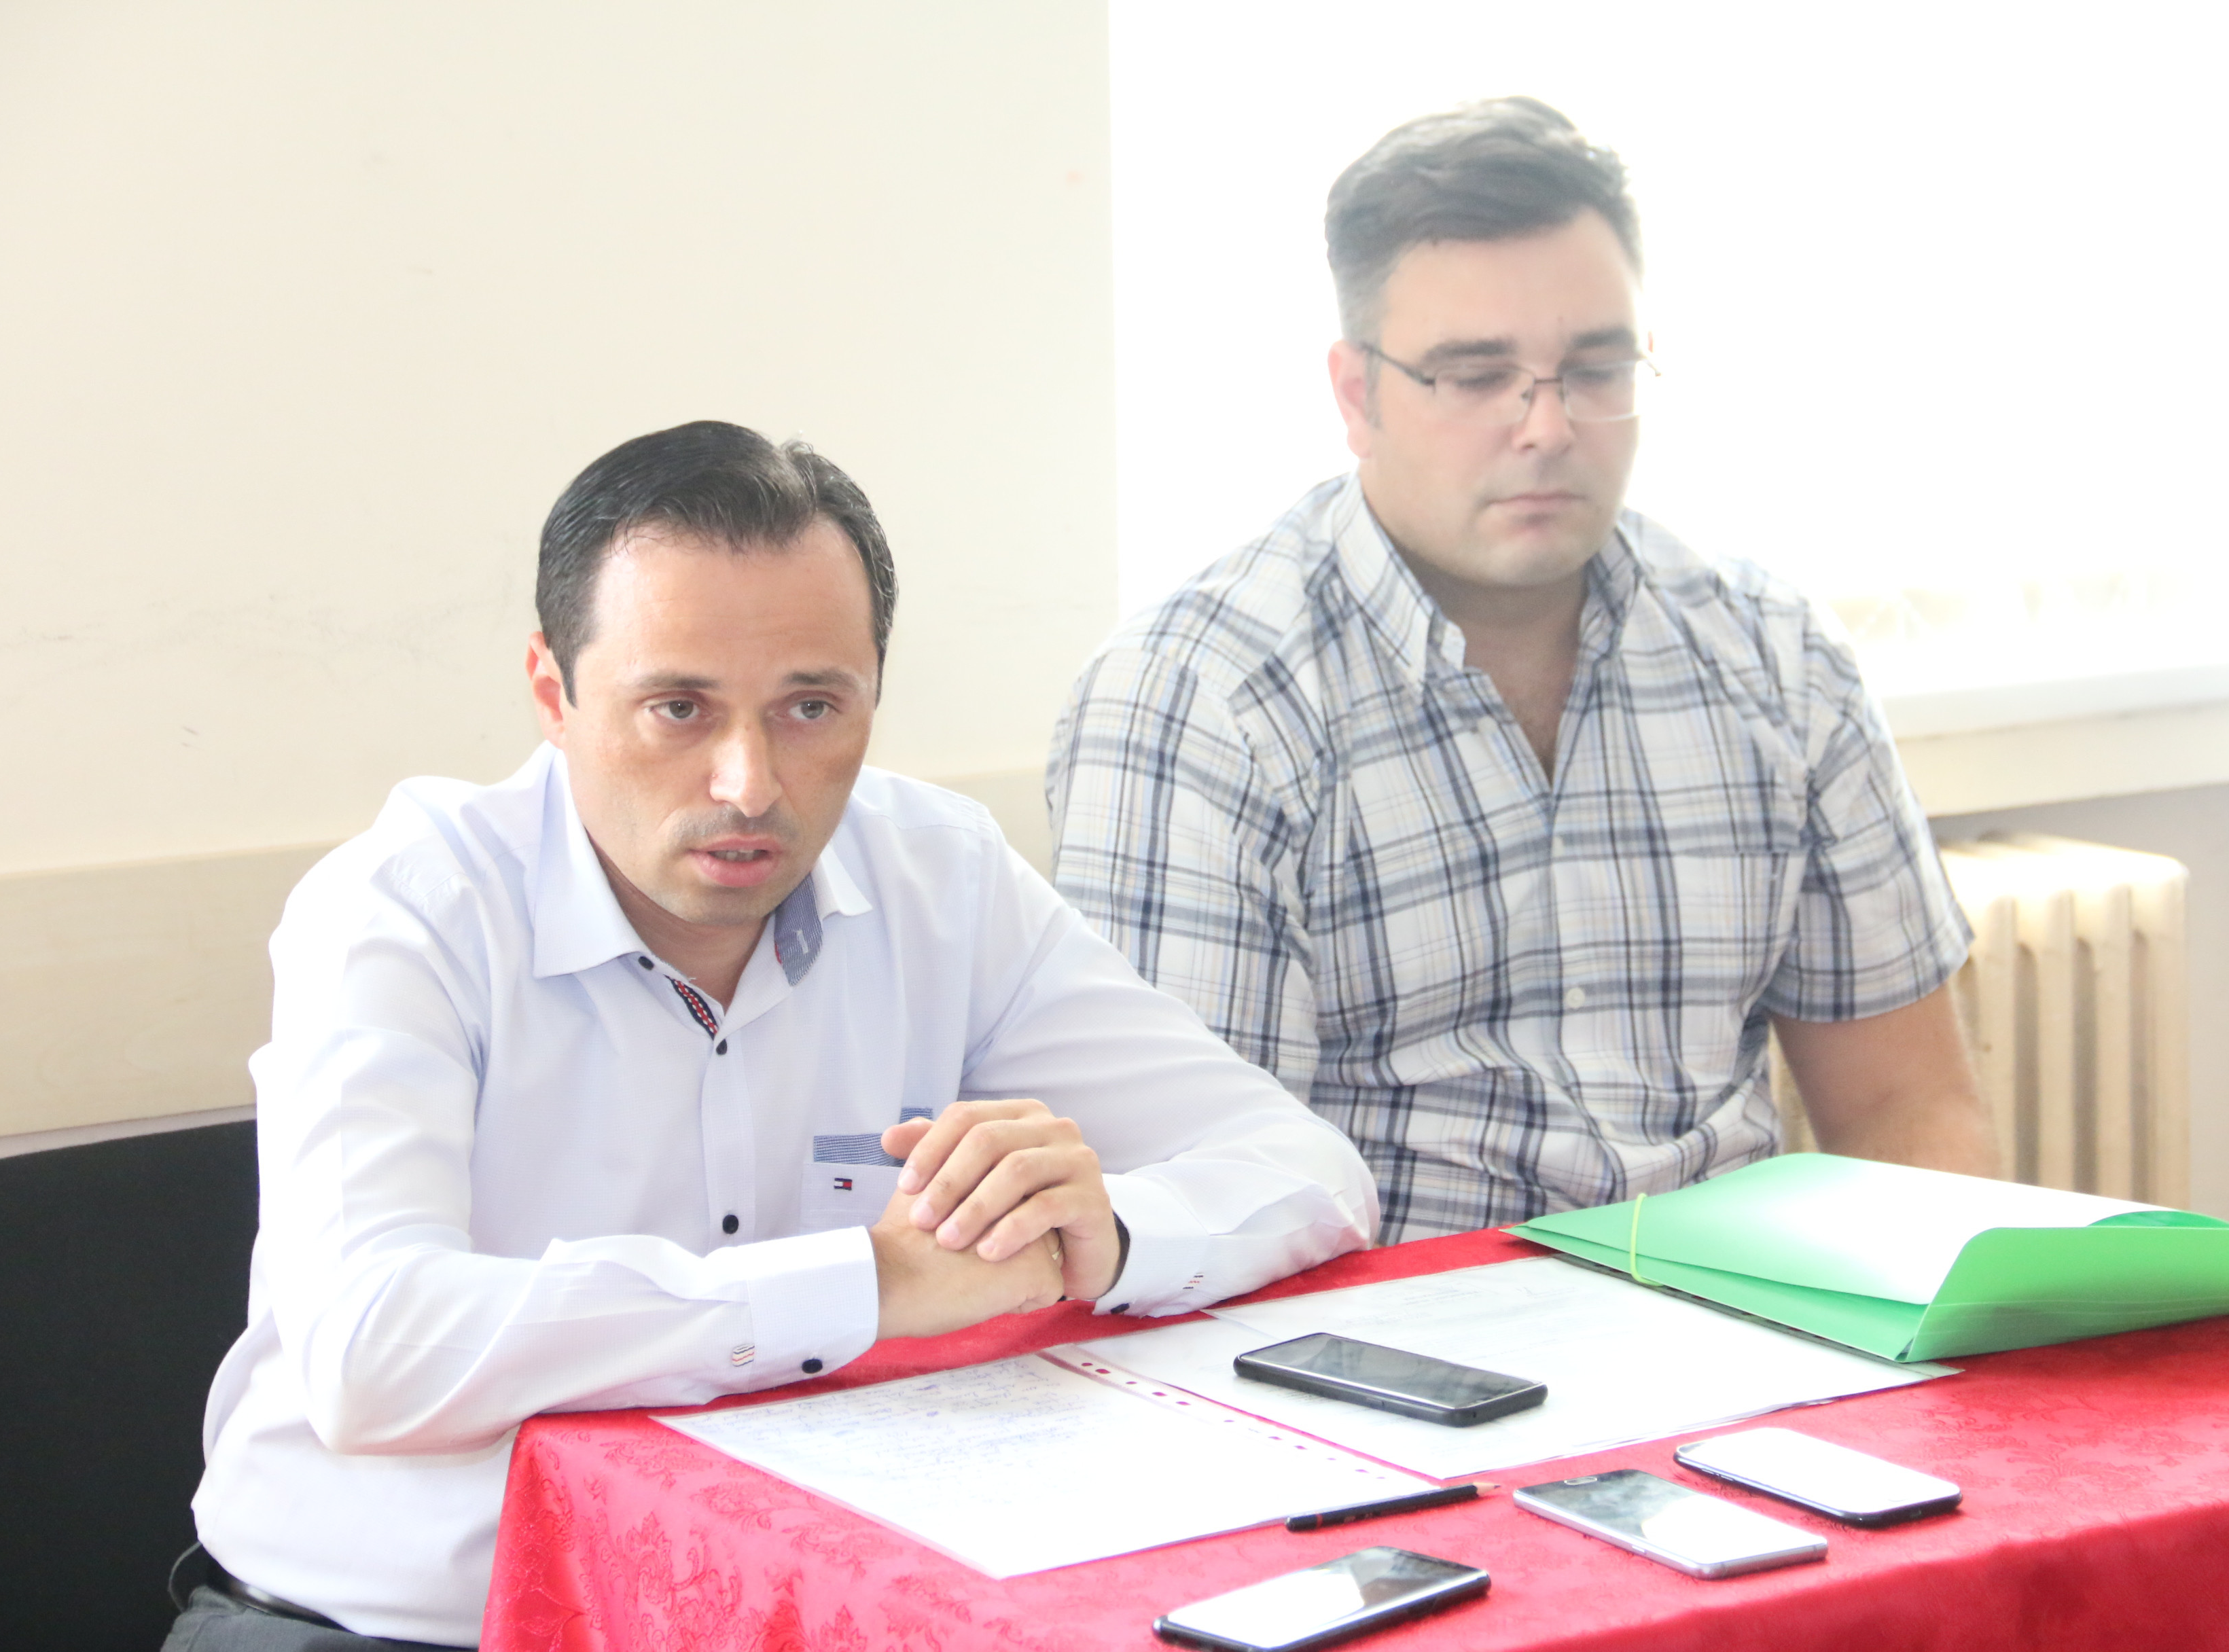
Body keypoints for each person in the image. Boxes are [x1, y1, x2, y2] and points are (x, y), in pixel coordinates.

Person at [170, 422, 1377, 1649]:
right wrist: (869, 1285)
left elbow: (1313, 1175)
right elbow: (374, 1350)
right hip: (388, 1627)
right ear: (552, 693)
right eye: (678, 708)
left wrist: (1098, 1232)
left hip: (796, 1609)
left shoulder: (940, 875)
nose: (747, 783)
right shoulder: (406, 908)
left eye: (810, 707)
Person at [1046, 97, 1997, 1244]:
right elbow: (1189, 1203)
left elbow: (1908, 1108)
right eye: (1476, 375)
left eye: (1596, 368)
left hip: (1739, 1310)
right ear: (1357, 395)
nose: (1547, 427)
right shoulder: (1199, 703)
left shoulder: (1776, 656)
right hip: (1390, 1331)